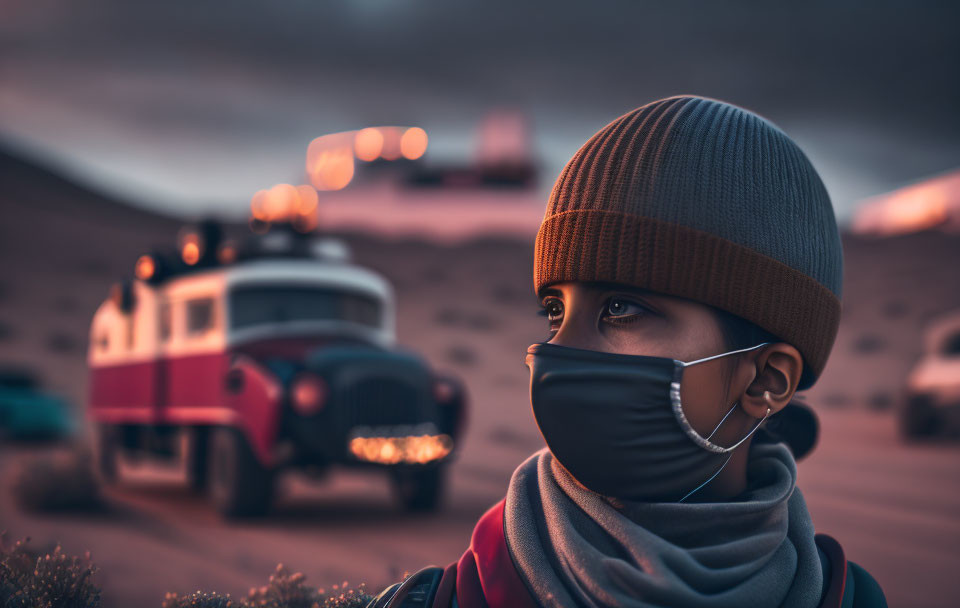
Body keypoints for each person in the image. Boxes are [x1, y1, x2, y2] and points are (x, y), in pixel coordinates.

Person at [366, 95, 888, 607]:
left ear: (765, 380)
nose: (557, 354)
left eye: (620, 309)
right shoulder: (453, 598)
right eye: (554, 312)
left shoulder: (847, 599)